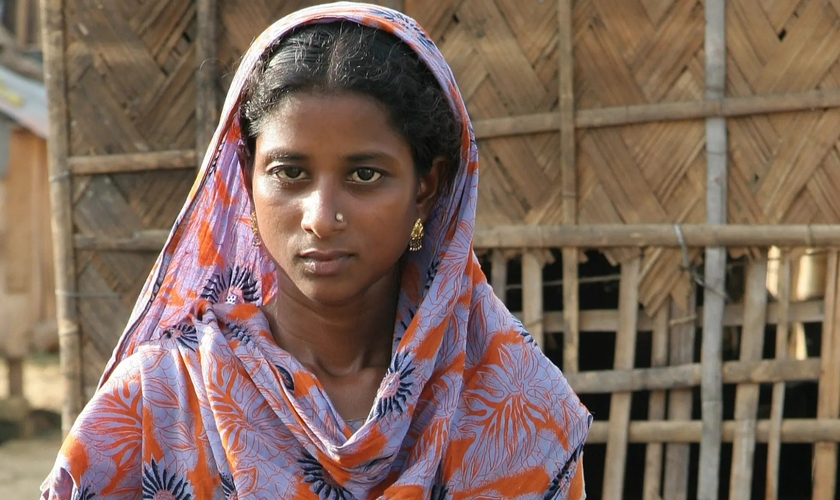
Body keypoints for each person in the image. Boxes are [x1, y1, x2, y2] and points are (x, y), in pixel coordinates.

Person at [41, 3, 591, 499]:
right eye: (290, 173)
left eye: (365, 174)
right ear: (248, 181)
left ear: (426, 185)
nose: (321, 217)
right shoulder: (160, 400)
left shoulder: (514, 399)